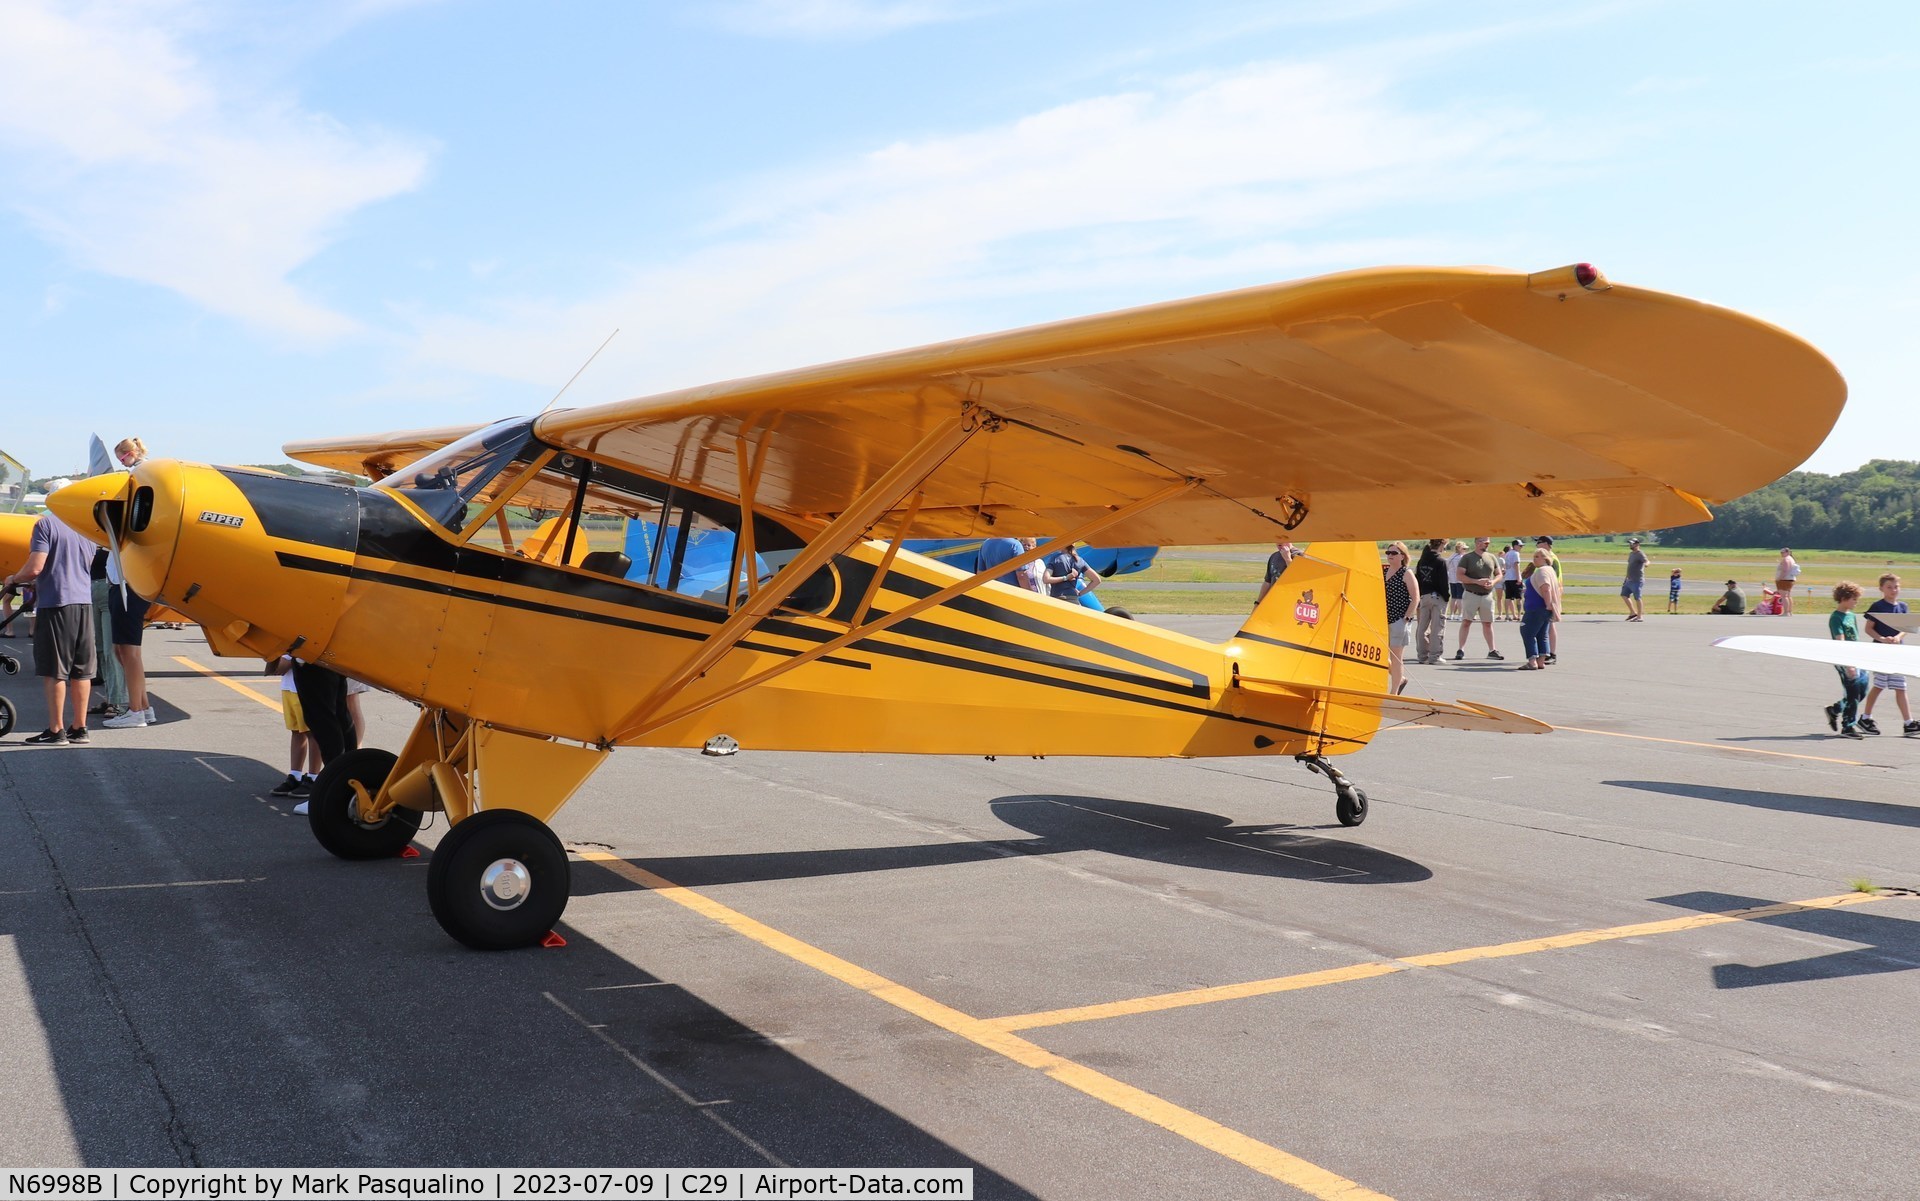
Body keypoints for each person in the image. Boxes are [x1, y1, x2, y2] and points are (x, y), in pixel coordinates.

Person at [4, 512, 97, 743]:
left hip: (57, 604)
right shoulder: (85, 526)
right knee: (80, 670)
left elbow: (35, 567)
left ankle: (56, 730)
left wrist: (14, 579)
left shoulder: (45, 524)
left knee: (55, 669)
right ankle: (80, 728)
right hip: (84, 603)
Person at [101, 437, 157, 729]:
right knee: (121, 650)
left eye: (124, 453)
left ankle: (135, 711)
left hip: (128, 581)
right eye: (120, 455)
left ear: (134, 452)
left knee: (128, 649)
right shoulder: (134, 476)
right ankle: (143, 707)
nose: (122, 458)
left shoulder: (141, 476)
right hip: (119, 578)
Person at [1858, 574, 1917, 737]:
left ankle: (1908, 722)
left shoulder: (1903, 607)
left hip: (1898, 652)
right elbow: (1869, 628)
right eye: (1889, 587)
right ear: (1881, 589)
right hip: (1881, 651)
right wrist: (1882, 639)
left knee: (1900, 687)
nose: (1893, 590)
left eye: (1896, 587)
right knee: (1879, 685)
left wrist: (1898, 637)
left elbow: (1907, 627)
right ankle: (1865, 717)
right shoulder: (1878, 606)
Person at [268, 655, 320, 798]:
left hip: (306, 683)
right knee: (296, 731)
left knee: (312, 732)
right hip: (289, 684)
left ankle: (313, 776)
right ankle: (295, 774)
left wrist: (284, 658)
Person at [87, 547, 129, 718]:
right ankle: (110, 697)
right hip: (91, 589)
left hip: (109, 588)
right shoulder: (86, 537)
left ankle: (118, 701)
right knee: (99, 649)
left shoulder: (111, 539)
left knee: (111, 650)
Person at [1824, 581, 1867, 738]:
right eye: (1854, 599)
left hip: (1856, 657)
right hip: (1844, 659)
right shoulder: (1836, 618)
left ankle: (1834, 710)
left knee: (1862, 690)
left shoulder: (1851, 616)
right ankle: (1848, 726)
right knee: (1853, 691)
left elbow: (1855, 637)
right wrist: (1848, 664)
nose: (1856, 602)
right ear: (1844, 598)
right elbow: (1840, 641)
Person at [1451, 535, 1504, 661]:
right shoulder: (1467, 558)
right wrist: (1476, 581)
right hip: (1471, 594)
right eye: (1485, 543)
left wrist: (1493, 582)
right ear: (1478, 543)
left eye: (1488, 543)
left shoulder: (1491, 557)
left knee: (1487, 623)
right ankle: (1461, 649)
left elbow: (1499, 573)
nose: (1487, 545)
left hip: (1487, 595)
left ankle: (1492, 650)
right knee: (1466, 621)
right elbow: (1459, 576)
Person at [1381, 542, 1417, 695]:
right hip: (1383, 619)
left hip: (1398, 619)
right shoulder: (1384, 571)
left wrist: (1406, 618)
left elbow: (1415, 598)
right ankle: (1400, 678)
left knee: (1396, 657)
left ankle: (1394, 691)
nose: (1390, 555)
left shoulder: (1406, 573)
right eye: (1388, 552)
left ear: (1402, 556)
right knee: (1381, 653)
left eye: (1394, 553)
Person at [1517, 547, 1561, 670]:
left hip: (1536, 608)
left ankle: (1532, 661)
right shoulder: (1550, 570)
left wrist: (1548, 604)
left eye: (1537, 557)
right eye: (1534, 556)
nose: (1534, 559)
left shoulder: (1542, 571)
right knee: (1542, 634)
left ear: (1545, 558)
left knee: (1527, 632)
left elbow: (1545, 588)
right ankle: (1541, 660)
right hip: (1543, 609)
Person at [1412, 538, 1449, 664]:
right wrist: (1446, 597)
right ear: (1442, 544)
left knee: (1422, 626)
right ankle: (1435, 656)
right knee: (1437, 627)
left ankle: (1422, 655)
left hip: (1424, 596)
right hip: (1437, 597)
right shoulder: (1440, 561)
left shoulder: (1422, 560)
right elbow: (1443, 582)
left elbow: (1418, 579)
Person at [1534, 536, 1562, 662]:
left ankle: (1551, 653)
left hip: (1550, 594)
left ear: (1546, 544)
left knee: (1550, 624)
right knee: (1546, 624)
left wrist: (1549, 600)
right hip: (1544, 594)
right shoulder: (1542, 559)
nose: (1537, 545)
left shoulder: (1551, 559)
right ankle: (1544, 652)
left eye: (1539, 543)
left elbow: (1550, 580)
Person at [1256, 535, 1295, 604]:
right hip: (1274, 601)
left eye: (1282, 538)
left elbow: (1297, 578)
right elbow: (1267, 582)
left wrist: (1288, 559)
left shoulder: (1299, 555)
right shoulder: (1274, 556)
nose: (1278, 542)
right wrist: (1257, 603)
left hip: (1289, 602)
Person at [1621, 537, 1649, 621]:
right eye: (1630, 543)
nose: (1630, 545)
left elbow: (1647, 561)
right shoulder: (1631, 554)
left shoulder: (1640, 553)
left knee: (1637, 598)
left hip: (1637, 580)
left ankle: (1640, 616)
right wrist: (1626, 578)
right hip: (1629, 579)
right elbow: (1629, 566)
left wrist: (1647, 564)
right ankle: (1633, 613)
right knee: (1624, 595)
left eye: (1632, 543)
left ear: (1637, 544)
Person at [1500, 539, 1523, 622]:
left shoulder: (1507, 553)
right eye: (1520, 546)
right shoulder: (1516, 553)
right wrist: (1518, 578)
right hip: (1514, 578)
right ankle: (1519, 615)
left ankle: (1507, 615)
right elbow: (1516, 565)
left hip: (1507, 578)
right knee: (1518, 597)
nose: (1521, 548)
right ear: (1515, 546)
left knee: (1508, 597)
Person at [1776, 548, 1801, 616]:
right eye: (1781, 552)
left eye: (1783, 552)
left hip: (1785, 580)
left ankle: (1786, 612)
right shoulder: (1791, 559)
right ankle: (1789, 611)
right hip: (1790, 579)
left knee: (1784, 596)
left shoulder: (1786, 559)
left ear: (1788, 552)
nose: (1781, 553)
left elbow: (1785, 570)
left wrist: (1780, 578)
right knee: (1788, 596)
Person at [1444, 541, 1465, 621]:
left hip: (1452, 578)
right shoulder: (1461, 557)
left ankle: (1452, 614)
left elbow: (1447, 566)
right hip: (1459, 579)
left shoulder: (1451, 556)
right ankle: (1460, 614)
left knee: (1453, 597)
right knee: (1460, 597)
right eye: (1463, 548)